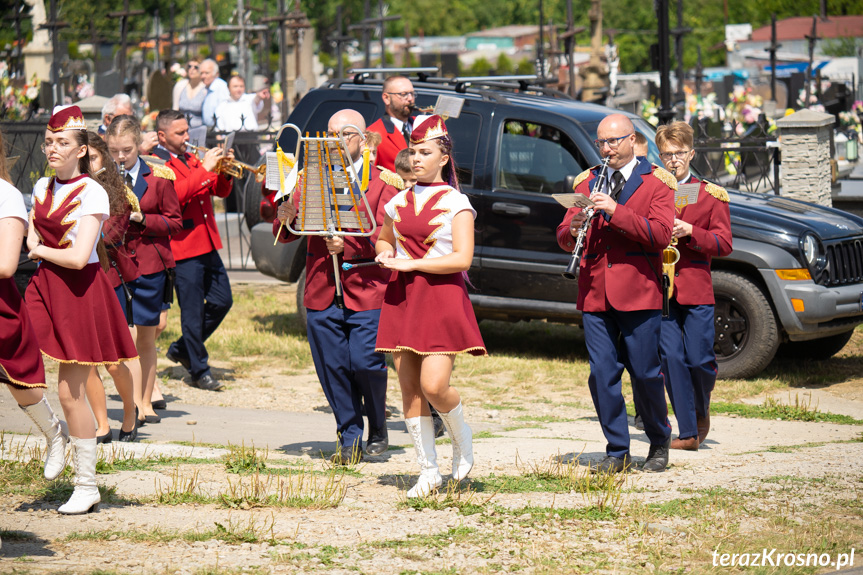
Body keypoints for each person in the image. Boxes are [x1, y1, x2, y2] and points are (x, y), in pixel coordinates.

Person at [26, 105, 139, 513]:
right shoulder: (41, 186)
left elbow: (76, 258)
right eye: (49, 142)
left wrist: (37, 247)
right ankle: (53, 435)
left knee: (69, 392)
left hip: (77, 291)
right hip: (44, 287)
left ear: (81, 150)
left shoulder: (92, 191)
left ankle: (87, 484)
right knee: (13, 363)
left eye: (62, 143)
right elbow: (34, 229)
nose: (52, 148)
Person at [274, 110, 401, 464]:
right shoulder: (308, 178)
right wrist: (285, 215)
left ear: (363, 138)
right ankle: (350, 435)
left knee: (366, 363)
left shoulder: (383, 182)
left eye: (345, 134)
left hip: (367, 287)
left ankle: (377, 422)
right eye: (330, 134)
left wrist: (351, 244)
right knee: (332, 366)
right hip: (322, 288)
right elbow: (284, 233)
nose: (336, 141)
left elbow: (392, 235)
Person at [556, 113, 675, 474]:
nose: (606, 149)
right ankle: (617, 450)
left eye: (613, 142)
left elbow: (660, 234)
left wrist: (616, 211)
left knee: (645, 373)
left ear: (631, 140)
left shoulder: (657, 183)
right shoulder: (588, 181)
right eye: (601, 143)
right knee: (602, 373)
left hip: (639, 290)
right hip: (594, 291)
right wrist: (573, 228)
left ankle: (658, 439)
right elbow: (562, 235)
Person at [374, 115, 486, 497]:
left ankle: (461, 434)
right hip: (403, 296)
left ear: (443, 158)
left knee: (434, 385)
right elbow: (383, 239)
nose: (417, 159)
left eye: (426, 153)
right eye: (414, 152)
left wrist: (413, 263)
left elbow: (462, 258)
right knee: (409, 389)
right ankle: (428, 471)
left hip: (440, 297)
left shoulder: (458, 201)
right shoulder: (397, 201)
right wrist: (386, 252)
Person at [656, 122, 732, 449]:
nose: (673, 161)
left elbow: (724, 243)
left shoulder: (710, 194)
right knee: (672, 358)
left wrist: (691, 232)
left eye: (679, 154)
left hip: (696, 287)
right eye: (667, 154)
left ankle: (701, 408)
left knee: (700, 360)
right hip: (661, 289)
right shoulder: (652, 189)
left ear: (692, 153)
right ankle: (687, 433)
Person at [0, 126, 68, 483]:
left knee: (22, 388)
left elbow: (7, 264)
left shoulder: (6, 195)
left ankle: (54, 433)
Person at [106, 115, 183, 422]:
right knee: (123, 337)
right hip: (115, 266)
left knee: (147, 338)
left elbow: (175, 222)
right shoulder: (102, 178)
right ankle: (131, 401)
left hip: (150, 265)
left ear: (138, 144)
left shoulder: (160, 177)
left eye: (126, 149)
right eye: (114, 150)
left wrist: (145, 220)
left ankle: (146, 401)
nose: (120, 156)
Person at [152, 109, 233, 391]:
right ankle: (200, 370)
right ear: (162, 135)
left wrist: (223, 171)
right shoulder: (156, 163)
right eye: (180, 133)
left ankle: (183, 349)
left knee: (223, 301)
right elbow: (174, 196)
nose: (187, 137)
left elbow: (218, 191)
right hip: (183, 247)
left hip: (207, 241)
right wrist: (206, 169)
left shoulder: (191, 158)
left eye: (187, 131)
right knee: (192, 312)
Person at [85, 132, 145, 443]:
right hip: (74, 284)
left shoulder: (116, 194)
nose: (86, 165)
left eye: (92, 158)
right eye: (83, 159)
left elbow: (108, 237)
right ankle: (101, 423)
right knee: (82, 361)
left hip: (105, 283)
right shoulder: (65, 191)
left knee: (112, 361)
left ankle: (130, 410)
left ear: (104, 160)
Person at [367, 75, 417, 171]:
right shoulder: (374, 133)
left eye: (412, 93)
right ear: (386, 98)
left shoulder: (421, 126)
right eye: (403, 94)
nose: (410, 99)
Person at [173, 60, 207, 129]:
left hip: (199, 129)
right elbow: (175, 109)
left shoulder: (205, 89)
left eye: (196, 67)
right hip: (182, 129)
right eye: (189, 66)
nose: (192, 69)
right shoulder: (180, 86)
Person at [200, 59, 230, 129]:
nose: (203, 76)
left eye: (207, 73)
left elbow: (225, 111)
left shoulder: (221, 87)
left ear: (216, 74)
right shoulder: (207, 87)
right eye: (201, 73)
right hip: (209, 130)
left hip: (218, 131)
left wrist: (220, 130)